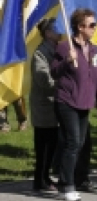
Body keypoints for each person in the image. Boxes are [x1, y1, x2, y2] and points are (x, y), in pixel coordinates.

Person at [51, 9, 97, 201]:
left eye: (94, 24)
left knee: (80, 143)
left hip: (85, 102)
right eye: (91, 25)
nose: (94, 28)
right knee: (73, 142)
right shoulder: (64, 47)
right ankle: (68, 184)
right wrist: (67, 61)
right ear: (80, 27)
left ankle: (62, 181)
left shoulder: (94, 50)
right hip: (66, 101)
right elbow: (54, 73)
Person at [30, 18, 61, 192]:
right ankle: (39, 179)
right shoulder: (40, 53)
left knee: (52, 144)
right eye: (56, 29)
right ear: (47, 33)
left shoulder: (58, 49)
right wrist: (62, 83)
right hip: (44, 106)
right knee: (43, 146)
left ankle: (45, 176)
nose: (60, 32)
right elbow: (43, 79)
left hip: (54, 105)